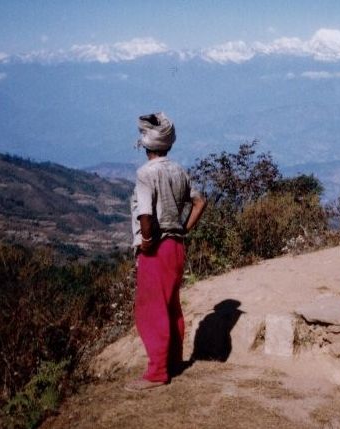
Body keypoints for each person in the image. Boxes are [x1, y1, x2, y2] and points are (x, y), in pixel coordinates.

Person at [126, 112, 207, 391]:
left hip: (156, 248)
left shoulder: (145, 174)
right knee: (171, 305)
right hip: (176, 246)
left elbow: (145, 214)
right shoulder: (179, 170)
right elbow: (199, 202)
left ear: (145, 145)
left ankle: (157, 372)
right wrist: (184, 229)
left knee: (151, 310)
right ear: (168, 144)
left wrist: (147, 239)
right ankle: (173, 361)